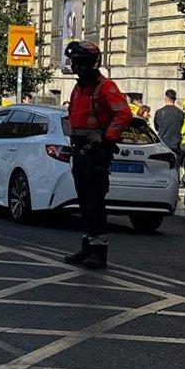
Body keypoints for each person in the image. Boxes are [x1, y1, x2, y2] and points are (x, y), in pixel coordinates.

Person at [63, 40, 133, 270]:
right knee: (84, 201)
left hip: (96, 153)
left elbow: (123, 114)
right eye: (75, 62)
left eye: (81, 62)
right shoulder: (79, 88)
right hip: (80, 151)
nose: (77, 67)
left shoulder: (105, 87)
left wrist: (105, 138)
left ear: (92, 63)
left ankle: (99, 251)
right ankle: (87, 246)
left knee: (95, 201)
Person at [154, 90, 182, 156]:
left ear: (166, 98)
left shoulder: (159, 112)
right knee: (175, 164)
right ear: (174, 99)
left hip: (162, 144)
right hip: (175, 144)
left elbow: (157, 127)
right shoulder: (180, 113)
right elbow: (181, 126)